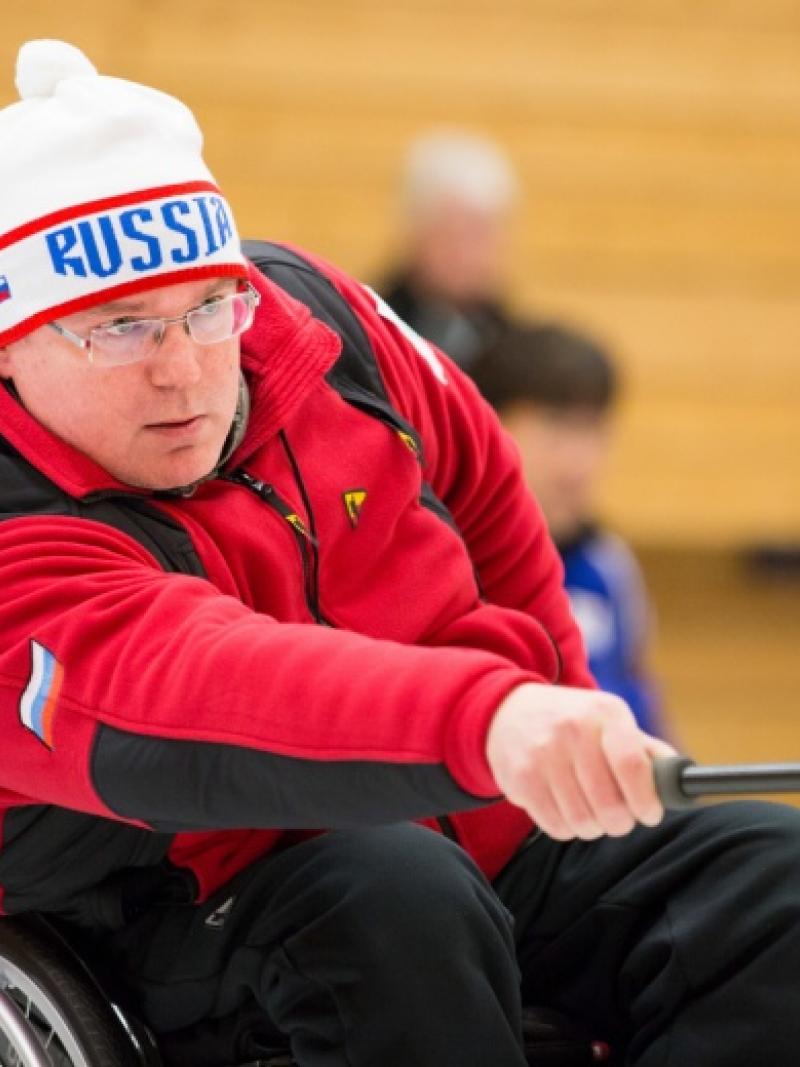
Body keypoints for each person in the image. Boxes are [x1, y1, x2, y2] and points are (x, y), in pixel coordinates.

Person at [0, 39, 799, 1067]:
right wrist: (487, 716)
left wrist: (547, 712)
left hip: (464, 817)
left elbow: (482, 483)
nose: (186, 370)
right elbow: (207, 683)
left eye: (208, 310)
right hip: (185, 891)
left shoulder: (317, 323)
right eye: (121, 330)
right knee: (394, 900)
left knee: (769, 881)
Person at [469, 321, 666, 738]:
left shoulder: (609, 566)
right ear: (488, 426)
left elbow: (646, 719)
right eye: (556, 426)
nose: (580, 463)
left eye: (593, 428)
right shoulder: (443, 566)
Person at [379, 129, 516, 370]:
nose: (464, 253)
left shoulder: (512, 343)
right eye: (450, 234)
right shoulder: (373, 329)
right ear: (416, 233)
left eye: (479, 234)